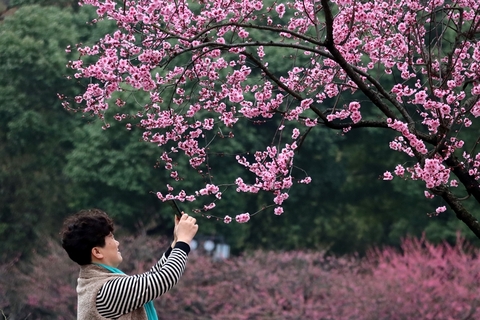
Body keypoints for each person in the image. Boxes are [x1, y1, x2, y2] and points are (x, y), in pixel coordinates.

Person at [60, 208, 198, 320]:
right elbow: (163, 278)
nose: (117, 243)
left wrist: (175, 243)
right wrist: (184, 241)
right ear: (97, 252)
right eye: (111, 238)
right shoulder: (105, 290)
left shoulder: (95, 284)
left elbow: (151, 278)